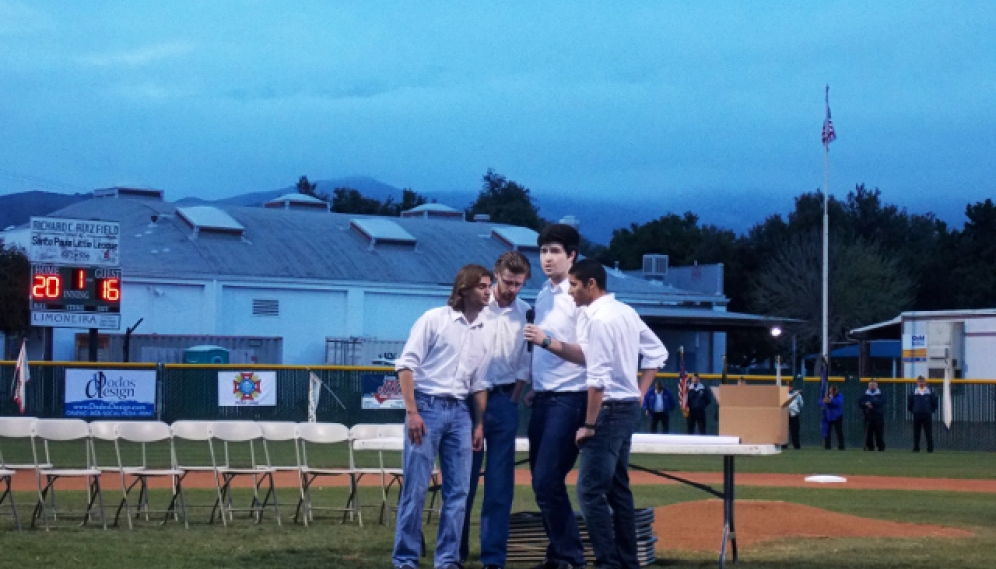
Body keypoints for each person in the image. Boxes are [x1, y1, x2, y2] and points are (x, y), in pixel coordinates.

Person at [392, 264, 494, 569]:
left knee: (459, 490)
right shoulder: (434, 319)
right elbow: (406, 366)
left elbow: (479, 383)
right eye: (481, 286)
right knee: (416, 487)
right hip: (427, 405)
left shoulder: (485, 330)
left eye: (489, 285)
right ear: (464, 290)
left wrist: (478, 424)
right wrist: (412, 412)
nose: (488, 291)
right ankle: (406, 559)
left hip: (461, 410)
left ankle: (448, 560)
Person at [571, 259, 668, 569]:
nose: (570, 291)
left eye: (574, 285)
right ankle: (627, 560)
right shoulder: (625, 311)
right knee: (617, 489)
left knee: (589, 491)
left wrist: (588, 424)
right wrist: (640, 392)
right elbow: (657, 351)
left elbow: (597, 379)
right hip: (626, 407)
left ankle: (608, 561)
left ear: (591, 284)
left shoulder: (599, 320)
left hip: (609, 410)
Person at [521, 223, 589, 569]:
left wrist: (547, 341)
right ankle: (559, 555)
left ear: (572, 256)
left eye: (555, 251)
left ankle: (570, 557)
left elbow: (588, 353)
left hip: (572, 396)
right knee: (541, 482)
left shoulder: (578, 296)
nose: (547, 258)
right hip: (545, 397)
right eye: (543, 251)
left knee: (548, 479)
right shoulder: (543, 294)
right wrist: (535, 383)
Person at [460, 251, 532, 569]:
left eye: (519, 284)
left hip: (504, 399)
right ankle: (454, 553)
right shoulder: (475, 307)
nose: (512, 289)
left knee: (500, 484)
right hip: (469, 400)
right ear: (495, 275)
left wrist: (515, 395)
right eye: (508, 282)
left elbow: (527, 360)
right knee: (463, 480)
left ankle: (493, 559)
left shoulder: (527, 313)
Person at [908, 375, 938, 453]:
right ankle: (916, 448)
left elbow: (934, 403)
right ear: (917, 383)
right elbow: (910, 404)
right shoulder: (913, 392)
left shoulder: (930, 392)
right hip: (917, 414)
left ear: (925, 383)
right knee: (916, 432)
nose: (921, 383)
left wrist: (930, 410)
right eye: (919, 382)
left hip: (927, 414)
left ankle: (930, 448)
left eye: (922, 382)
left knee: (928, 432)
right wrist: (914, 410)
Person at [860, 379, 886, 451]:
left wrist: (872, 403)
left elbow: (882, 402)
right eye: (870, 385)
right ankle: (870, 446)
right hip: (868, 415)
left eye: (873, 384)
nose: (872, 386)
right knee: (869, 432)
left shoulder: (880, 393)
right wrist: (865, 404)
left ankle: (880, 446)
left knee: (879, 432)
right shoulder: (865, 394)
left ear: (876, 385)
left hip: (878, 416)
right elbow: (860, 402)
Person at [821, 385, 844, 450]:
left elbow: (838, 402)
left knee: (839, 431)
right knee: (827, 432)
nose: (833, 392)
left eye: (834, 390)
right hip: (828, 416)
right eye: (832, 390)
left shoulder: (840, 395)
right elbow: (820, 402)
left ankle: (841, 446)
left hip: (837, 416)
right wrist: (824, 401)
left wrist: (830, 401)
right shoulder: (826, 395)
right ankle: (827, 446)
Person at [787, 383, 804, 449]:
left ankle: (796, 445)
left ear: (792, 387)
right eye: (788, 386)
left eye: (790, 386)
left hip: (794, 414)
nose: (789, 388)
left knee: (795, 431)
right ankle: (784, 445)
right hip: (786, 414)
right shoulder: (784, 394)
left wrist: (796, 410)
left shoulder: (798, 395)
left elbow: (801, 404)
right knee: (785, 431)